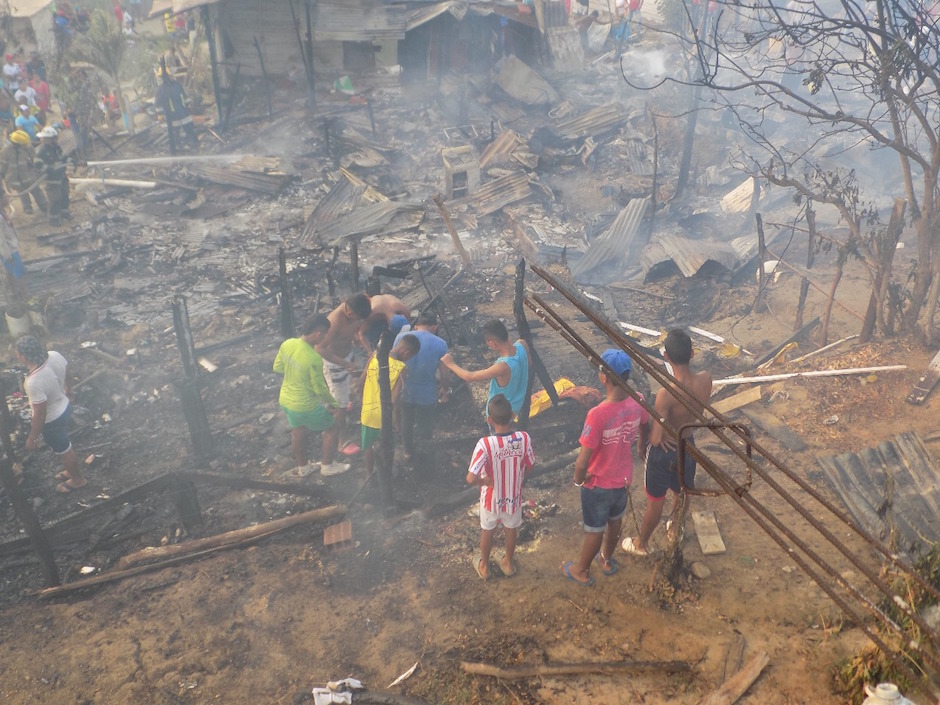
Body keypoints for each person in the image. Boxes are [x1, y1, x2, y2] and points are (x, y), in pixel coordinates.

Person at [561, 349, 650, 587]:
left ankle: (581, 569)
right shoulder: (638, 400)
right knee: (615, 521)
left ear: (603, 377)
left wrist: (579, 479)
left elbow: (583, 459)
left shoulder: (597, 414)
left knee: (594, 529)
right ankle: (607, 559)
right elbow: (646, 424)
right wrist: (642, 441)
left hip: (597, 482)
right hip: (622, 480)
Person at [622, 329, 713, 556]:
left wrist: (649, 442)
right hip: (688, 445)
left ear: (666, 357)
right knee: (683, 492)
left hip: (666, 452)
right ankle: (675, 529)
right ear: (692, 353)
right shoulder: (706, 379)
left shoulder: (666, 394)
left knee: (655, 501)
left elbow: (655, 437)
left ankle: (641, 543)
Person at [466, 393, 535, 580]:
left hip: (491, 498)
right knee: (511, 528)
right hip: (513, 496)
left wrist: (483, 482)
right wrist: (519, 477)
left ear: (489, 420)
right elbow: (530, 465)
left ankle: (485, 567)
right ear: (512, 416)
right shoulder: (523, 438)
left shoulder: (485, 444)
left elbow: (471, 478)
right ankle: (508, 563)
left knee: (487, 530)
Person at [272, 314, 350, 477]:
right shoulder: (313, 357)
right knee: (332, 427)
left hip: (286, 400)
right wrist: (333, 404)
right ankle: (327, 466)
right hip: (305, 404)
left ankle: (303, 467)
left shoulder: (288, 343)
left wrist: (296, 373)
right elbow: (320, 389)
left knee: (298, 431)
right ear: (318, 333)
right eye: (325, 334)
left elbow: (277, 368)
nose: (324, 338)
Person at [16, 336, 84, 493]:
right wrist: (69, 390)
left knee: (64, 449)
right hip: (65, 406)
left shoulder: (33, 382)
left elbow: (40, 414)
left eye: (18, 354)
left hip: (53, 420)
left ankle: (78, 479)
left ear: (24, 357)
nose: (17, 357)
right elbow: (67, 371)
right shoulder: (54, 355)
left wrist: (32, 438)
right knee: (63, 446)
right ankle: (70, 470)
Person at [316, 292, 372, 453]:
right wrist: (344, 363)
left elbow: (356, 326)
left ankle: (338, 402)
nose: (359, 321)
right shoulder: (334, 321)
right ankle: (342, 441)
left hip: (346, 357)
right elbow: (319, 348)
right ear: (350, 313)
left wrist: (354, 337)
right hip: (335, 364)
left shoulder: (355, 312)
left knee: (342, 393)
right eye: (358, 318)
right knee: (339, 406)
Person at [441, 318, 530, 420]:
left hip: (500, 416)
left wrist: (450, 364)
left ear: (492, 343)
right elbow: (530, 364)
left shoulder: (503, 366)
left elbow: (469, 377)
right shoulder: (522, 344)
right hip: (517, 406)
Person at [359, 334, 420, 478]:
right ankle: (386, 473)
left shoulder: (375, 355)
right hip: (385, 416)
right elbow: (394, 399)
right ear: (406, 353)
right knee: (386, 445)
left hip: (367, 412)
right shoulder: (402, 368)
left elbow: (361, 381)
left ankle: (369, 473)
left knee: (368, 445)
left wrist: (364, 401)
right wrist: (396, 421)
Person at [393, 310, 449, 467]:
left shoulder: (400, 338)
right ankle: (425, 454)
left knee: (407, 420)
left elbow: (394, 363)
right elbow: (445, 372)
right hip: (427, 393)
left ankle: (408, 451)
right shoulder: (440, 344)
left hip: (404, 389)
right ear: (434, 327)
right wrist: (444, 388)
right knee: (425, 424)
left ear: (417, 326)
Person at [0, 129, 47, 216]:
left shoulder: (28, 148)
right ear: (16, 144)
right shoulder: (6, 152)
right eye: (23, 144)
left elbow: (35, 157)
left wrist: (36, 164)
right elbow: (2, 168)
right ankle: (27, 207)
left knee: (37, 191)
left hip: (29, 176)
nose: (25, 145)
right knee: (23, 194)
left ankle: (44, 206)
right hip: (15, 179)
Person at [154, 65, 197, 155]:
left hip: (184, 113)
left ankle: (195, 146)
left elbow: (183, 96)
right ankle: (177, 150)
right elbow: (158, 103)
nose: (171, 77)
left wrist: (188, 104)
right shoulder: (161, 89)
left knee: (190, 130)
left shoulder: (177, 85)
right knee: (174, 135)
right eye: (169, 75)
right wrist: (160, 114)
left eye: (171, 75)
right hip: (173, 116)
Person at [36, 126, 70, 226]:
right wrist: (47, 168)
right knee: (55, 200)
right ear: (48, 139)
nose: (57, 139)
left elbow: (63, 158)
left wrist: (70, 161)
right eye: (55, 137)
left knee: (64, 195)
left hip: (61, 177)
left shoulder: (56, 148)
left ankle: (64, 214)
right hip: (52, 180)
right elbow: (37, 165)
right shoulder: (41, 150)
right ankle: (54, 220)